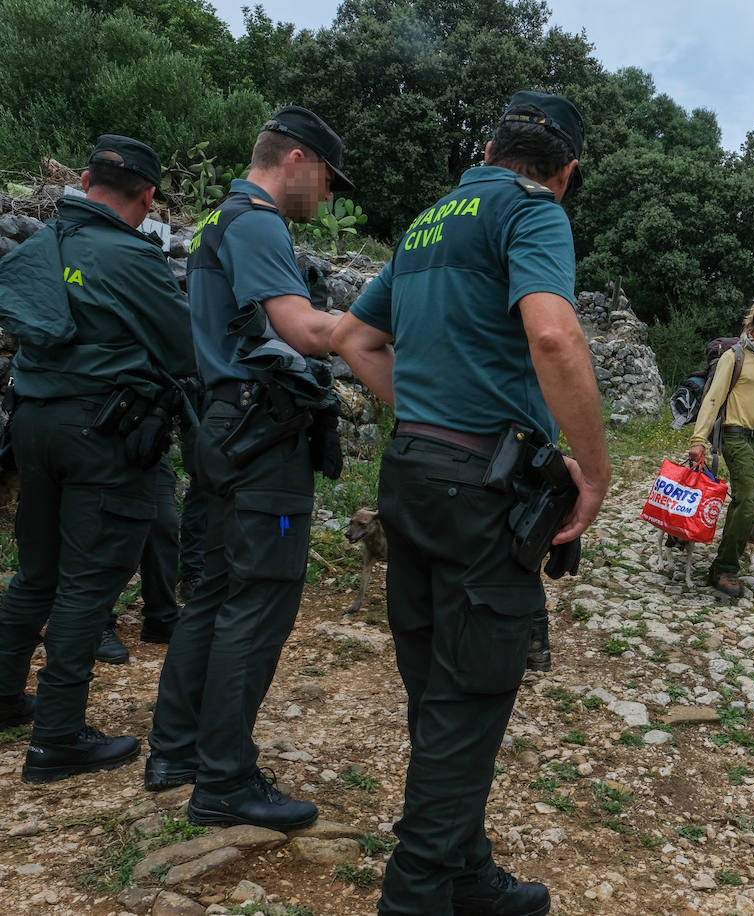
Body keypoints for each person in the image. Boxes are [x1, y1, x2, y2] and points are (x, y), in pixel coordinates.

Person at [332, 89, 610, 916]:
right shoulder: (533, 214)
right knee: (472, 690)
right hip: (480, 493)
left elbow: (354, 336)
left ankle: (464, 871)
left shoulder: (428, 221)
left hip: (410, 474)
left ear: (487, 150)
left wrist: (420, 415)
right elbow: (553, 333)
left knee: (438, 687)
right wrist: (592, 472)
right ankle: (415, 898)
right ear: (566, 171)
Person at [145, 106, 349, 831]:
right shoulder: (259, 221)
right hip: (263, 435)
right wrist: (387, 336)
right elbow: (303, 330)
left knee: (215, 592)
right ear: (296, 158)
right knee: (260, 599)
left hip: (223, 426)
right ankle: (226, 780)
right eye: (328, 176)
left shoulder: (214, 221)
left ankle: (175, 752)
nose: (329, 195)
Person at [0, 135, 195, 780]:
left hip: (31, 424)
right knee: (88, 584)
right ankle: (57, 737)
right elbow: (183, 350)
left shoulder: (37, 246)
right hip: (101, 435)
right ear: (146, 196)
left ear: (84, 180)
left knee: (36, 573)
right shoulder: (132, 257)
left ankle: (3, 698)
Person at [686, 294, 754, 597]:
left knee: (753, 506)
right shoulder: (735, 356)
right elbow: (714, 398)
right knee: (746, 502)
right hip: (735, 436)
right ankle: (723, 569)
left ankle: (728, 557)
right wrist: (698, 440)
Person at [95, 455, 183, 665]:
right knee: (111, 531)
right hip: (102, 445)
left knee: (164, 524)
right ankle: (96, 624)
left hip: (151, 447)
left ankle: (162, 618)